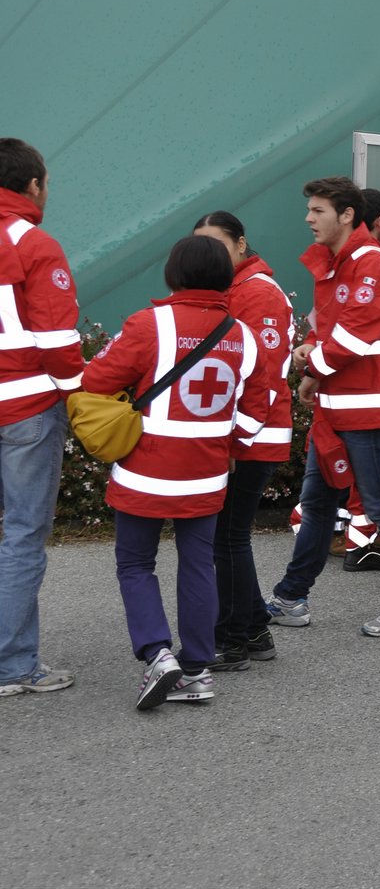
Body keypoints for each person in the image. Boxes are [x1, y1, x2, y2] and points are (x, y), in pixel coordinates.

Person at [83, 235, 271, 708]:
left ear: (173, 274)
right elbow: (260, 404)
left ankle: (157, 654)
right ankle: (198, 668)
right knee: (198, 563)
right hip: (207, 474)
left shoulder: (149, 325)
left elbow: (96, 380)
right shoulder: (241, 334)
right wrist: (230, 441)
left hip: (144, 470)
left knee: (135, 563)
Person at [266, 176, 380, 637]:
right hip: (340, 406)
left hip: (368, 407)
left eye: (317, 211)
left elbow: (356, 334)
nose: (308, 219)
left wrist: (312, 365)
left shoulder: (370, 263)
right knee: (318, 504)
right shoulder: (340, 262)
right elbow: (332, 329)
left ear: (347, 215)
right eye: (310, 210)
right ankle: (291, 597)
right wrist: (313, 358)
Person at [191, 212, 294, 671]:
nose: (208, 254)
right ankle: (252, 630)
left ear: (240, 244)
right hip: (244, 431)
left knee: (226, 538)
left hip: (253, 432)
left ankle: (231, 639)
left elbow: (264, 377)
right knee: (228, 537)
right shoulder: (235, 290)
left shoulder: (257, 293)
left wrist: (236, 440)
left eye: (216, 244)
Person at [0, 139, 83, 698]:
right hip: (28, 407)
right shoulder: (35, 244)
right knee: (23, 535)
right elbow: (58, 344)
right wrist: (82, 397)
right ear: (33, 185)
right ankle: (13, 665)